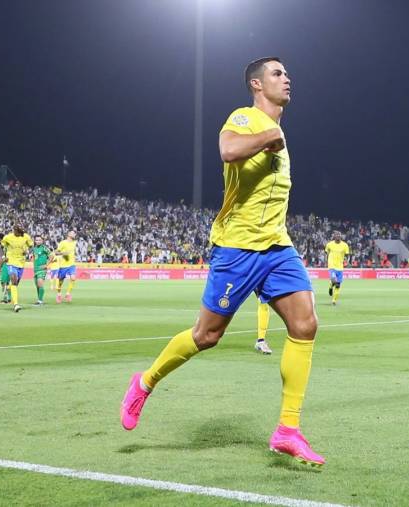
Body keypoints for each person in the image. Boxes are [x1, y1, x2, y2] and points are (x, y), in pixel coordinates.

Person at [120, 57, 324, 468]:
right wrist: (267, 139)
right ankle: (144, 382)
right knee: (207, 335)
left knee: (305, 324)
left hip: (277, 247)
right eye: (277, 74)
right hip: (237, 250)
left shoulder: (279, 131)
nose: (287, 79)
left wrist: (274, 139)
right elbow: (228, 149)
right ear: (256, 84)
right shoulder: (246, 118)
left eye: (287, 74)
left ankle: (287, 429)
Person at [0, 225, 33, 313]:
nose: (14, 232)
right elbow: (2, 246)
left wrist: (28, 252)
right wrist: (4, 255)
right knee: (14, 281)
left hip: (21, 263)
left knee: (15, 284)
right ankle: (16, 304)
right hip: (10, 261)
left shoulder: (26, 237)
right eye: (14, 230)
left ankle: (9, 288)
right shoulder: (8, 237)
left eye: (17, 231)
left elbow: (31, 246)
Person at [325, 231, 349, 306]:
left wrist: (346, 261)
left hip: (340, 267)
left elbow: (347, 255)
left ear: (341, 236)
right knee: (334, 280)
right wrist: (327, 261)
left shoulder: (345, 245)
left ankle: (334, 300)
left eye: (339, 235)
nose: (338, 236)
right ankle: (331, 285)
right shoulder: (329, 244)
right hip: (332, 266)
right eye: (336, 235)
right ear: (334, 236)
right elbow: (326, 252)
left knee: (338, 285)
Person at [55, 231, 77, 303]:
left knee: (73, 278)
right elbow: (56, 252)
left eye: (75, 233)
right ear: (68, 234)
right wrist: (62, 253)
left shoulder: (74, 243)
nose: (74, 234)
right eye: (73, 233)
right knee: (60, 281)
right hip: (63, 265)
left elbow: (73, 252)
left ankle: (68, 294)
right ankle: (58, 294)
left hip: (72, 264)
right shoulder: (63, 243)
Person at [30, 236, 53, 306]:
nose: (38, 241)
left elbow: (51, 256)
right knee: (37, 285)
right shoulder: (34, 249)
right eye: (36, 240)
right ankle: (39, 299)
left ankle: (40, 301)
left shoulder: (44, 248)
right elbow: (34, 257)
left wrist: (46, 265)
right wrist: (33, 261)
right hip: (36, 269)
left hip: (42, 269)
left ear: (42, 241)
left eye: (39, 240)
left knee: (40, 283)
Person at [0, 233, 10, 305]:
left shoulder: (2, 247)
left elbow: (2, 258)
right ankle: (9, 298)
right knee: (7, 282)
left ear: (0, 240)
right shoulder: (9, 245)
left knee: (3, 282)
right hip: (12, 265)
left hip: (6, 265)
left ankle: (5, 299)